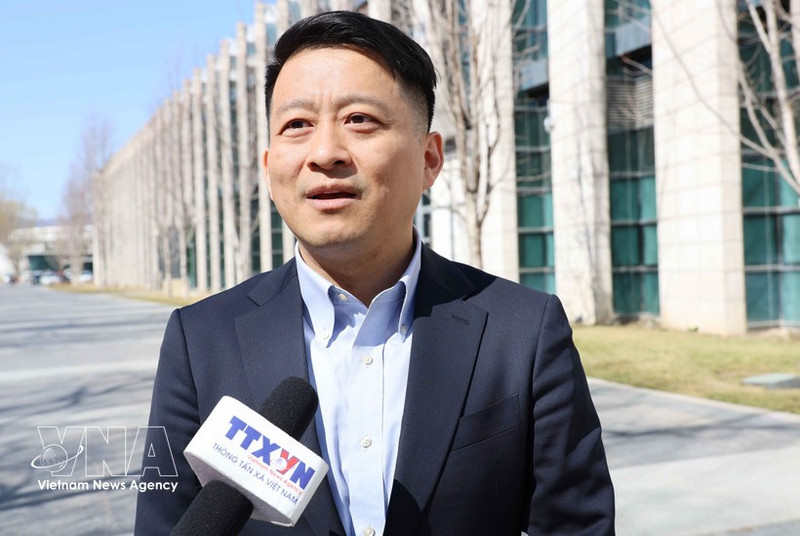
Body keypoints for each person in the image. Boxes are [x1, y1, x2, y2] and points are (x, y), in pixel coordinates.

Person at [134, 10, 614, 536]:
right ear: (270, 168)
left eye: (359, 119)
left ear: (430, 158)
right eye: (297, 125)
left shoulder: (523, 330)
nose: (324, 153)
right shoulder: (200, 340)